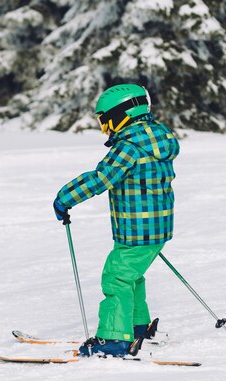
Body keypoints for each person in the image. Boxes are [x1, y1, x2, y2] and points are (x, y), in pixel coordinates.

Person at [53, 84, 180, 357]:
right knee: (131, 276)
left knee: (117, 277)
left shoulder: (129, 147)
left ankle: (114, 338)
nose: (106, 129)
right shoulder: (157, 138)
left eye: (105, 121)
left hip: (137, 229)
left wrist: (65, 198)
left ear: (121, 115)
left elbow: (102, 178)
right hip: (156, 227)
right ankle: (137, 327)